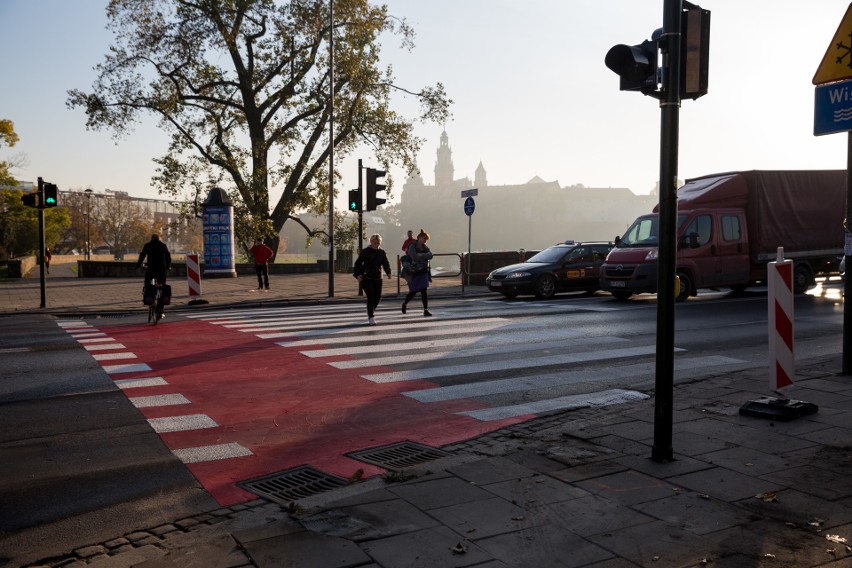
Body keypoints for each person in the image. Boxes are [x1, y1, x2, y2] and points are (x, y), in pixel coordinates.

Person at [353, 233, 392, 326]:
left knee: (378, 298)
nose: (376, 244)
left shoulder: (382, 252)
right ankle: (371, 316)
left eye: (378, 242)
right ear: (371, 242)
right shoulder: (365, 251)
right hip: (366, 277)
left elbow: (386, 263)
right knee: (371, 297)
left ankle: (370, 311)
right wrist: (357, 275)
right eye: (374, 242)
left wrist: (388, 272)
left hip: (378, 277)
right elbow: (357, 264)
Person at [402, 229, 433, 317]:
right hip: (413, 272)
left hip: (423, 271)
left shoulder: (425, 247)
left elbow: (431, 255)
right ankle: (404, 304)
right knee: (413, 292)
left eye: (426, 239)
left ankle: (425, 310)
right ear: (419, 238)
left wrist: (421, 255)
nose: (425, 240)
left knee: (424, 291)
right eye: (424, 238)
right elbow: (414, 256)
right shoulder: (412, 246)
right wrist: (423, 256)